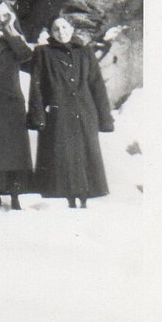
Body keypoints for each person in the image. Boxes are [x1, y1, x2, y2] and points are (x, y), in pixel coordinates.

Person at [27, 14, 114, 208]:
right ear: (50, 33)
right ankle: (69, 199)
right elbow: (36, 87)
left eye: (65, 27)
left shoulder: (85, 52)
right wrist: (37, 116)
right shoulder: (43, 53)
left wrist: (104, 118)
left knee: (85, 154)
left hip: (84, 112)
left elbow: (97, 85)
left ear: (72, 29)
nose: (61, 32)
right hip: (58, 114)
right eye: (56, 29)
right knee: (63, 156)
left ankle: (84, 197)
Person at [0, 0, 34, 210]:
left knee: (14, 151)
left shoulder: (15, 38)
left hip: (11, 103)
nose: (1, 19)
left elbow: (26, 56)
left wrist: (11, 30)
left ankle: (15, 195)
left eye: (6, 15)